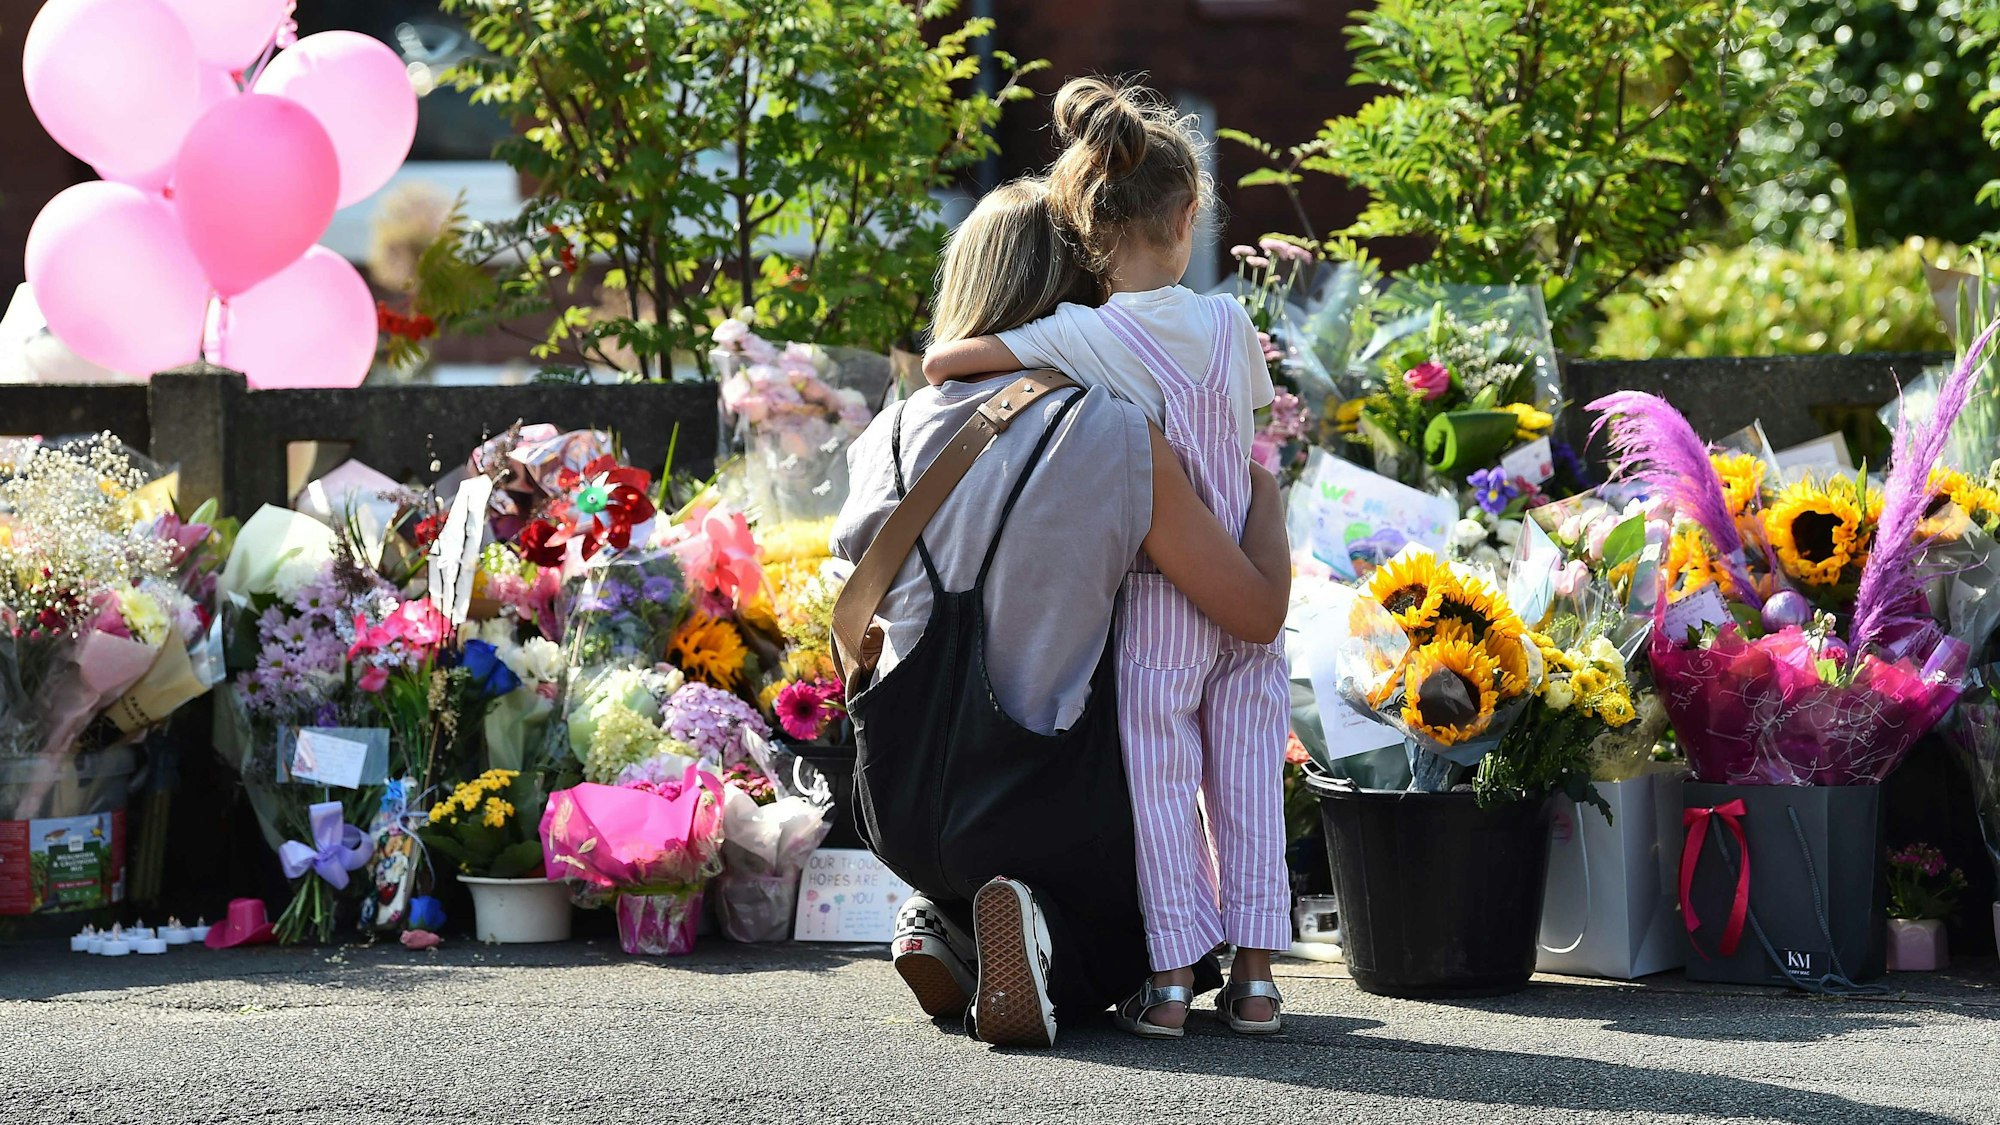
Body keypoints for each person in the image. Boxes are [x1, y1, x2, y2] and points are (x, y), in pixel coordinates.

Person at [833, 177, 1291, 1048]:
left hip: (898, 791)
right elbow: (1252, 610)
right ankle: (1048, 947)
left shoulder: (888, 432)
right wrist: (1262, 497)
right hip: (1044, 798)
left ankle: (949, 919)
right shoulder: (1113, 430)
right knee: (1152, 925)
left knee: (974, 837)